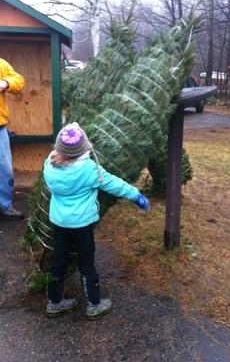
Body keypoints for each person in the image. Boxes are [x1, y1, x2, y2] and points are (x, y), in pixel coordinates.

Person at [43, 122, 150, 319]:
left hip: (59, 222)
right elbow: (114, 184)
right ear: (82, 150)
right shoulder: (90, 170)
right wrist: (136, 195)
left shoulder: (49, 165)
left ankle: (54, 302)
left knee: (58, 262)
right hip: (82, 225)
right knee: (86, 264)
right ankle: (94, 304)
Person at [0, 58, 25, 219]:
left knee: (5, 170)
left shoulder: (0, 64)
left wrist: (6, 82)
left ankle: (4, 205)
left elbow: (19, 80)